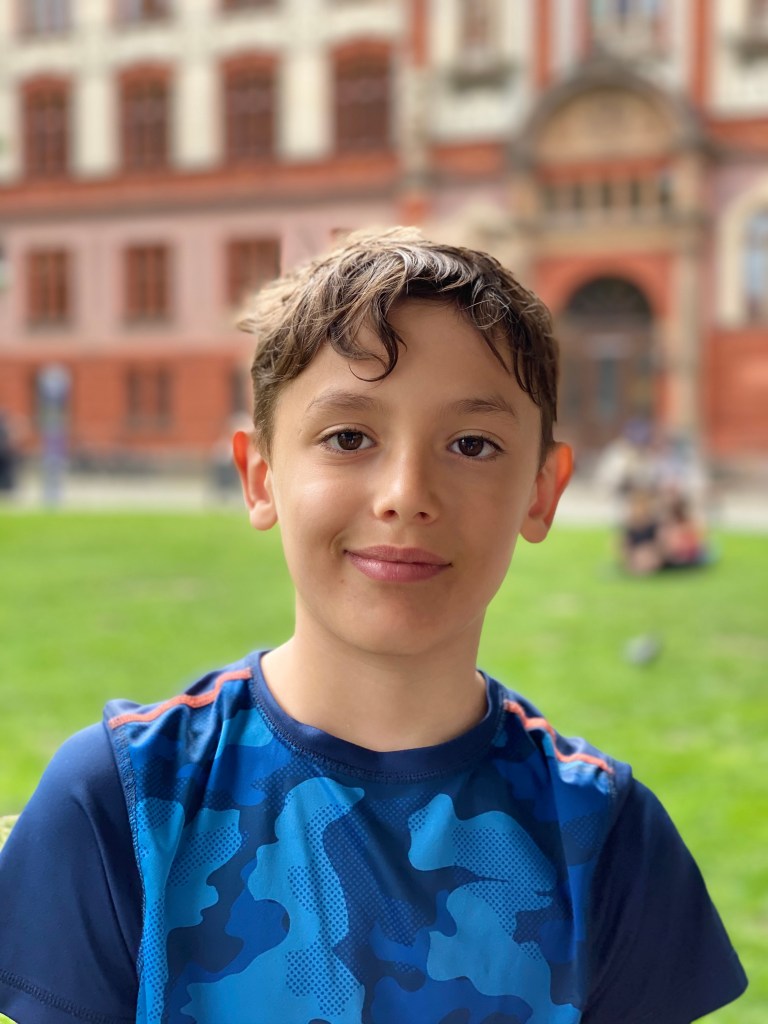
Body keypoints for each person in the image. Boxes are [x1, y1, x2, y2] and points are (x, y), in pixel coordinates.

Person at [0, 229, 747, 1024]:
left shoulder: (609, 840)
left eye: (471, 444)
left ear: (542, 490)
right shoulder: (121, 806)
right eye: (348, 437)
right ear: (260, 477)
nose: (405, 494)